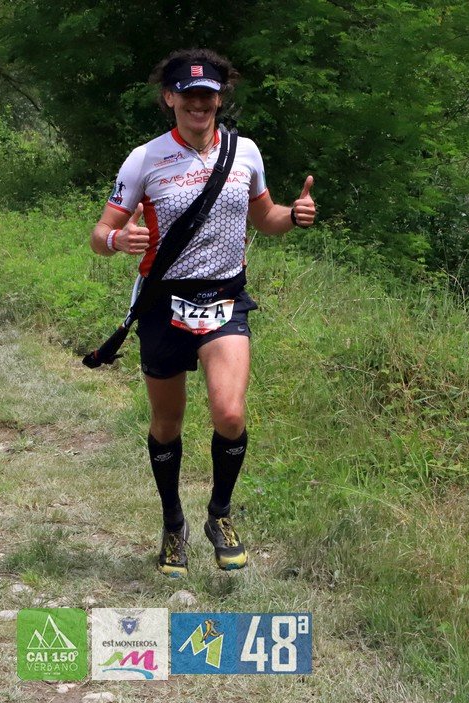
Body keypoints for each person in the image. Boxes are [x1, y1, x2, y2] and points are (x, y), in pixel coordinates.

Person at [89, 49, 316, 578]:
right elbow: (100, 233)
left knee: (229, 414)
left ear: (220, 98)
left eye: (208, 95)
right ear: (169, 98)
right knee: (167, 422)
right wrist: (118, 240)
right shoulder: (145, 159)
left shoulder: (245, 152)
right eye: (188, 95)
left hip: (225, 298)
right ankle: (173, 524)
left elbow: (266, 218)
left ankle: (219, 514)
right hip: (163, 304)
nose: (199, 104)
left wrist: (295, 216)